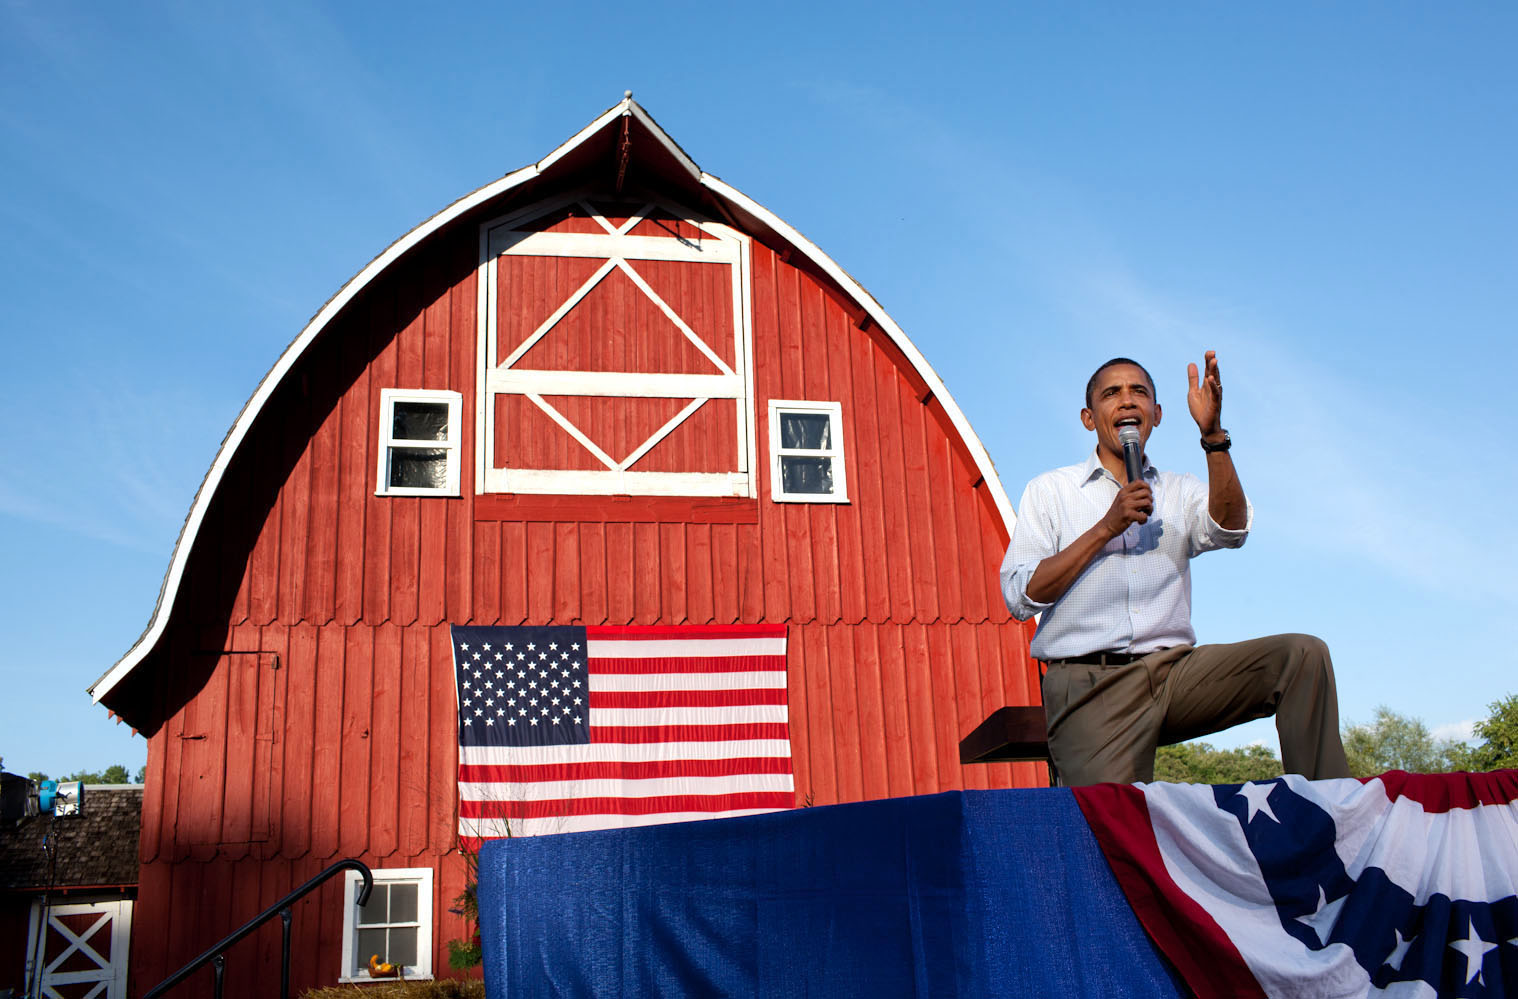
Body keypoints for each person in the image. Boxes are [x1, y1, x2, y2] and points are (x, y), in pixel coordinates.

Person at [999, 352, 1350, 785]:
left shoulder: (1178, 490)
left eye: (1139, 392)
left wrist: (1214, 437)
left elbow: (1231, 529)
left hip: (1174, 675)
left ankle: (1331, 812)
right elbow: (1020, 596)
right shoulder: (1050, 490)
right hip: (1090, 684)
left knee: (1302, 655)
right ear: (1089, 418)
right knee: (1110, 828)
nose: (1127, 401)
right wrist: (1107, 527)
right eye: (1112, 393)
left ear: (1157, 415)